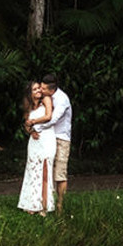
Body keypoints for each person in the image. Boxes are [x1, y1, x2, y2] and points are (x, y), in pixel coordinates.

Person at [31, 73, 72, 209]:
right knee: (45, 170)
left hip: (61, 138)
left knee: (59, 173)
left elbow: (53, 119)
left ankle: (60, 204)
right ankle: (46, 203)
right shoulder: (45, 98)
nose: (40, 90)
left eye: (43, 89)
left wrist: (36, 126)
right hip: (48, 137)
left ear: (52, 89)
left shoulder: (62, 99)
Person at [17, 81, 56, 215]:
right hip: (34, 143)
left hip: (47, 139)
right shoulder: (28, 108)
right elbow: (26, 125)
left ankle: (44, 205)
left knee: (45, 170)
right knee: (33, 171)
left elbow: (48, 116)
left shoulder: (46, 100)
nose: (39, 90)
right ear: (30, 93)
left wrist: (33, 122)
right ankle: (32, 203)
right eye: (35, 89)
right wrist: (31, 131)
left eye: (39, 88)